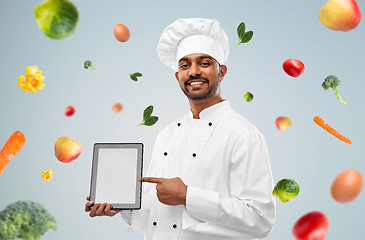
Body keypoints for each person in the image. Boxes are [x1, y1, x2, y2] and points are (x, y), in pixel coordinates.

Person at [85, 18, 276, 240]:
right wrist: (120, 205)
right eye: (185, 65)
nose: (194, 71)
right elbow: (156, 217)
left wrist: (188, 196)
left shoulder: (243, 134)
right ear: (178, 76)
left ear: (222, 71)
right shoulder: (167, 134)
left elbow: (261, 220)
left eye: (204, 63)